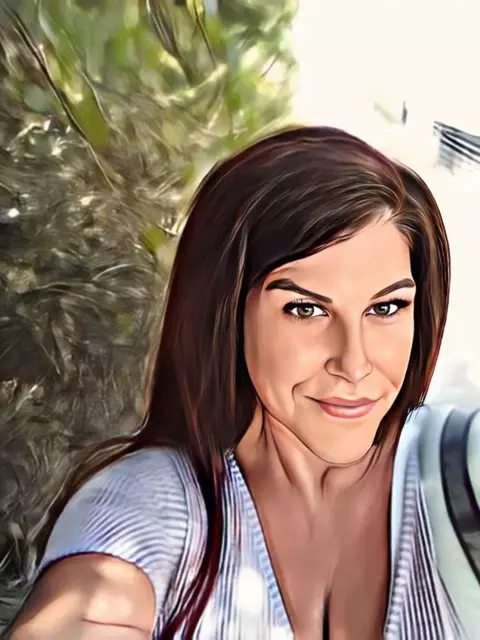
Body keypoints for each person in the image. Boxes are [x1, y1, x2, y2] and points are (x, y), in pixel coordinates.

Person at [7, 126, 480, 639]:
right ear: (228, 312)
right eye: (306, 309)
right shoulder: (150, 505)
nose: (354, 362)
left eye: (386, 308)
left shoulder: (462, 475)